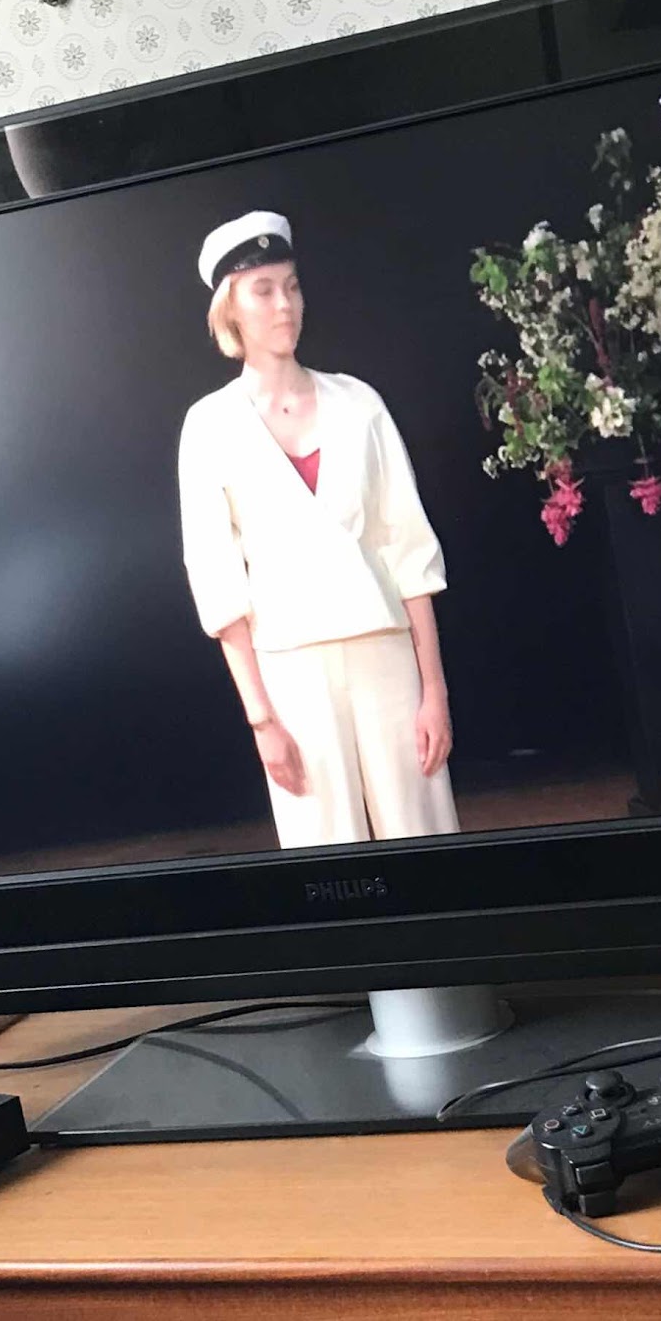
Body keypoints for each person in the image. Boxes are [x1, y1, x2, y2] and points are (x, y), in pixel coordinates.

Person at [177, 209, 460, 850]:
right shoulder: (210, 426)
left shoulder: (359, 403)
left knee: (425, 838)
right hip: (292, 673)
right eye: (264, 290)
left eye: (292, 286)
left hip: (386, 656)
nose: (284, 305)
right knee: (325, 855)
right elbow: (218, 583)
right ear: (230, 309)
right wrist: (262, 721)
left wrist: (434, 692)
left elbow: (408, 548)